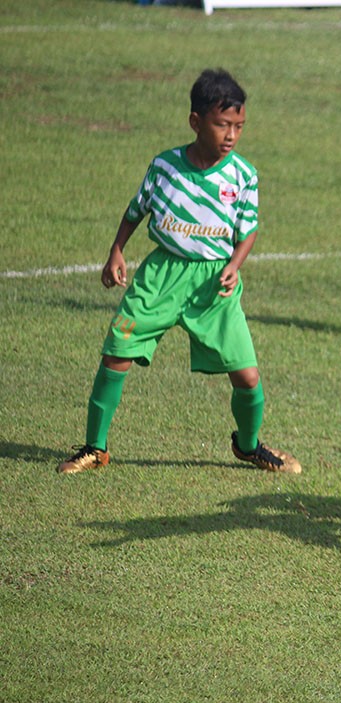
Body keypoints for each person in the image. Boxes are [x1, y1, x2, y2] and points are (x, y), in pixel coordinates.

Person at [56, 69, 300, 476]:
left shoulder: (244, 175)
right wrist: (117, 251)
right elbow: (136, 211)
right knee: (116, 353)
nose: (231, 135)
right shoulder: (165, 166)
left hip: (213, 284)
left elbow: (249, 230)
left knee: (248, 375)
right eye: (222, 124)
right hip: (161, 274)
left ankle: (249, 445)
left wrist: (235, 266)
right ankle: (94, 448)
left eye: (239, 126)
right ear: (196, 121)